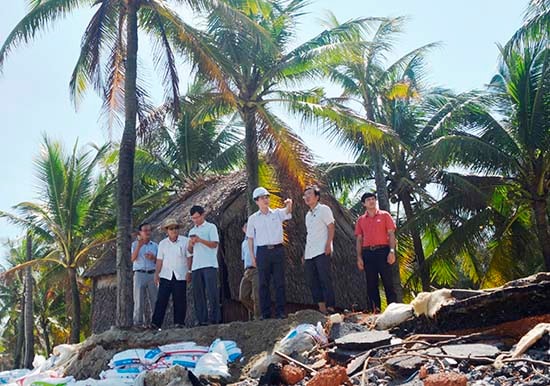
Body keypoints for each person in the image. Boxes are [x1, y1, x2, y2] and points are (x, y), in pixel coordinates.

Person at [246, 187, 292, 319]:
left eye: (267, 197)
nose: (265, 200)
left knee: (279, 282)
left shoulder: (277, 213)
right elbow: (250, 238)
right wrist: (252, 256)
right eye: (262, 198)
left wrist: (289, 204)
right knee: (263, 283)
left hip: (278, 250)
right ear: (256, 201)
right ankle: (265, 314)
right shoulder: (253, 219)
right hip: (262, 252)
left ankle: (281, 312)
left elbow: (287, 212)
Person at [355, 192, 397, 312]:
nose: (371, 201)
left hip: (383, 251)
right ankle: (375, 311)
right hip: (368, 253)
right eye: (368, 200)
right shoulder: (361, 220)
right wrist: (359, 257)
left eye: (373, 199)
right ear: (364, 204)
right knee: (371, 284)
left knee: (388, 282)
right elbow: (359, 239)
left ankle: (393, 310)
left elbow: (391, 234)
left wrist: (392, 251)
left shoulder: (385, 215)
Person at [151, 218, 192, 329]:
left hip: (180, 274)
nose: (174, 230)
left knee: (180, 300)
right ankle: (156, 324)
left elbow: (189, 257)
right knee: (161, 300)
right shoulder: (162, 244)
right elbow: (159, 260)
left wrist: (189, 271)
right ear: (167, 231)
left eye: (176, 228)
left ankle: (179, 323)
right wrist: (156, 274)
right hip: (166, 275)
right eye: (171, 228)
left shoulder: (185, 241)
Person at [302, 185, 336, 314]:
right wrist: (305, 253)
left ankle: (331, 307)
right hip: (310, 252)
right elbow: (309, 235)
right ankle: (321, 308)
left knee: (325, 279)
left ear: (317, 197)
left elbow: (331, 227)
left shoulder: (324, 209)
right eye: (305, 195)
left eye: (310, 194)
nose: (307, 197)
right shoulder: (307, 215)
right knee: (312, 280)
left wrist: (328, 244)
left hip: (322, 250)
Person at [187, 205, 221, 325]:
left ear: (202, 215)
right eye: (193, 218)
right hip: (196, 265)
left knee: (212, 292)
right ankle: (202, 319)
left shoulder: (211, 227)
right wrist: (191, 244)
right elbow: (189, 251)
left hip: (209, 264)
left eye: (197, 217)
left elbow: (214, 244)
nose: (196, 220)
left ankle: (215, 318)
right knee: (198, 294)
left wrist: (200, 240)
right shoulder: (191, 231)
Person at [131, 222, 159, 327]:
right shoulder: (134, 245)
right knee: (138, 300)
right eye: (145, 230)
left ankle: (155, 323)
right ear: (140, 232)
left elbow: (160, 262)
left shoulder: (155, 246)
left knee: (155, 300)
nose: (147, 232)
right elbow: (132, 259)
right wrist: (139, 246)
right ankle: (138, 324)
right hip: (139, 274)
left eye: (149, 230)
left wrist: (153, 258)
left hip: (152, 273)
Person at [238, 221, 260, 320]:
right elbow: (244, 257)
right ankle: (256, 312)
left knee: (256, 295)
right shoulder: (243, 243)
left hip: (256, 269)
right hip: (247, 270)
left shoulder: (258, 239)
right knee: (243, 296)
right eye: (246, 227)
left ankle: (258, 317)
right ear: (243, 229)